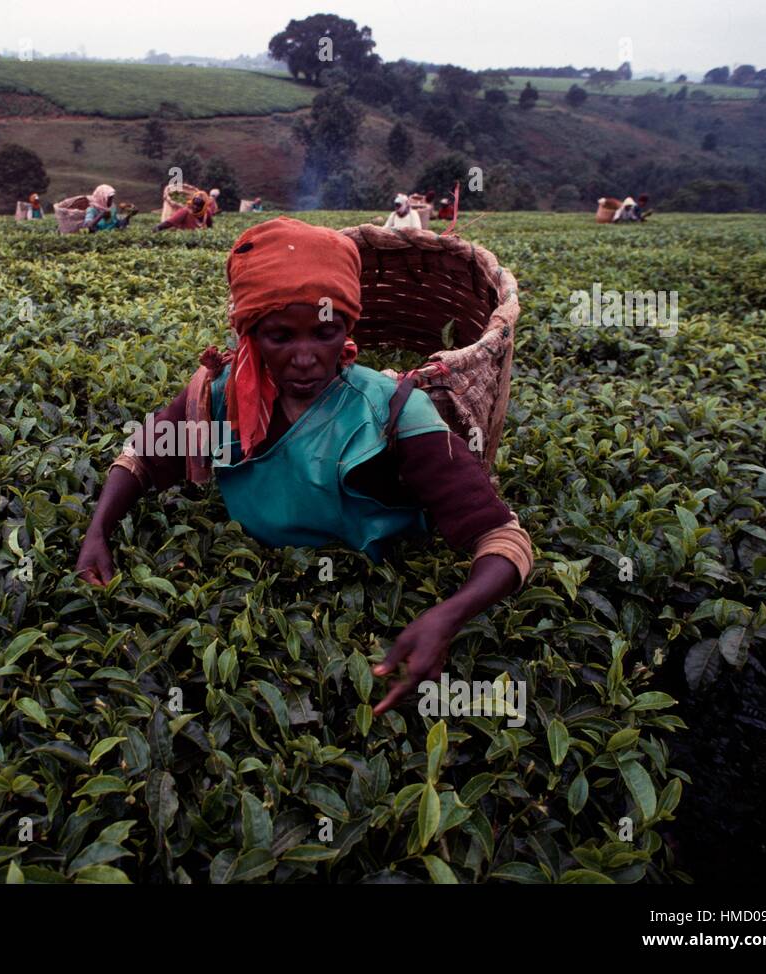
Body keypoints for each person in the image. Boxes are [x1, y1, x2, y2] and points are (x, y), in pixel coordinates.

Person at [76, 217, 534, 713]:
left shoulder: (392, 410)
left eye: (324, 333)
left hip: (366, 605)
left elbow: (504, 539)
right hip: (251, 607)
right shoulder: (220, 398)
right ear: (250, 332)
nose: (304, 358)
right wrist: (98, 531)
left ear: (347, 328)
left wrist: (448, 616)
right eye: (279, 337)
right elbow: (142, 456)